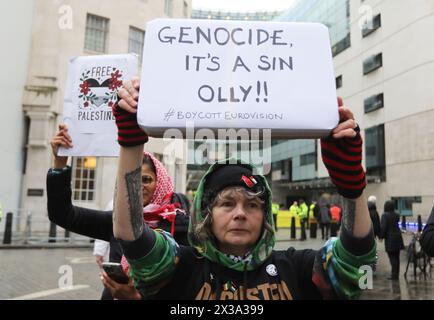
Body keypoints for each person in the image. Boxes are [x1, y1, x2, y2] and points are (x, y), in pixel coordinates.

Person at [111, 81, 376, 300]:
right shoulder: (181, 267)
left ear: (265, 216)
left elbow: (357, 266)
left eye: (252, 205)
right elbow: (130, 234)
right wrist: (131, 144)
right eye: (227, 204)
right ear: (207, 214)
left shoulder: (297, 268)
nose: (240, 213)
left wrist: (352, 185)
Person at [47, 125, 189, 299]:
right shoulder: (119, 222)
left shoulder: (181, 226)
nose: (138, 186)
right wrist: (59, 164)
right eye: (133, 180)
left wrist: (135, 297)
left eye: (146, 179)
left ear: (160, 183)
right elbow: (62, 214)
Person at [379, 200, 404, 280]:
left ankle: (394, 275)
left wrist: (381, 236)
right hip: (398, 237)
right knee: (397, 257)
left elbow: (384, 227)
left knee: (392, 257)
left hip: (390, 239)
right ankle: (396, 274)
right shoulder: (396, 215)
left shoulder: (385, 215)